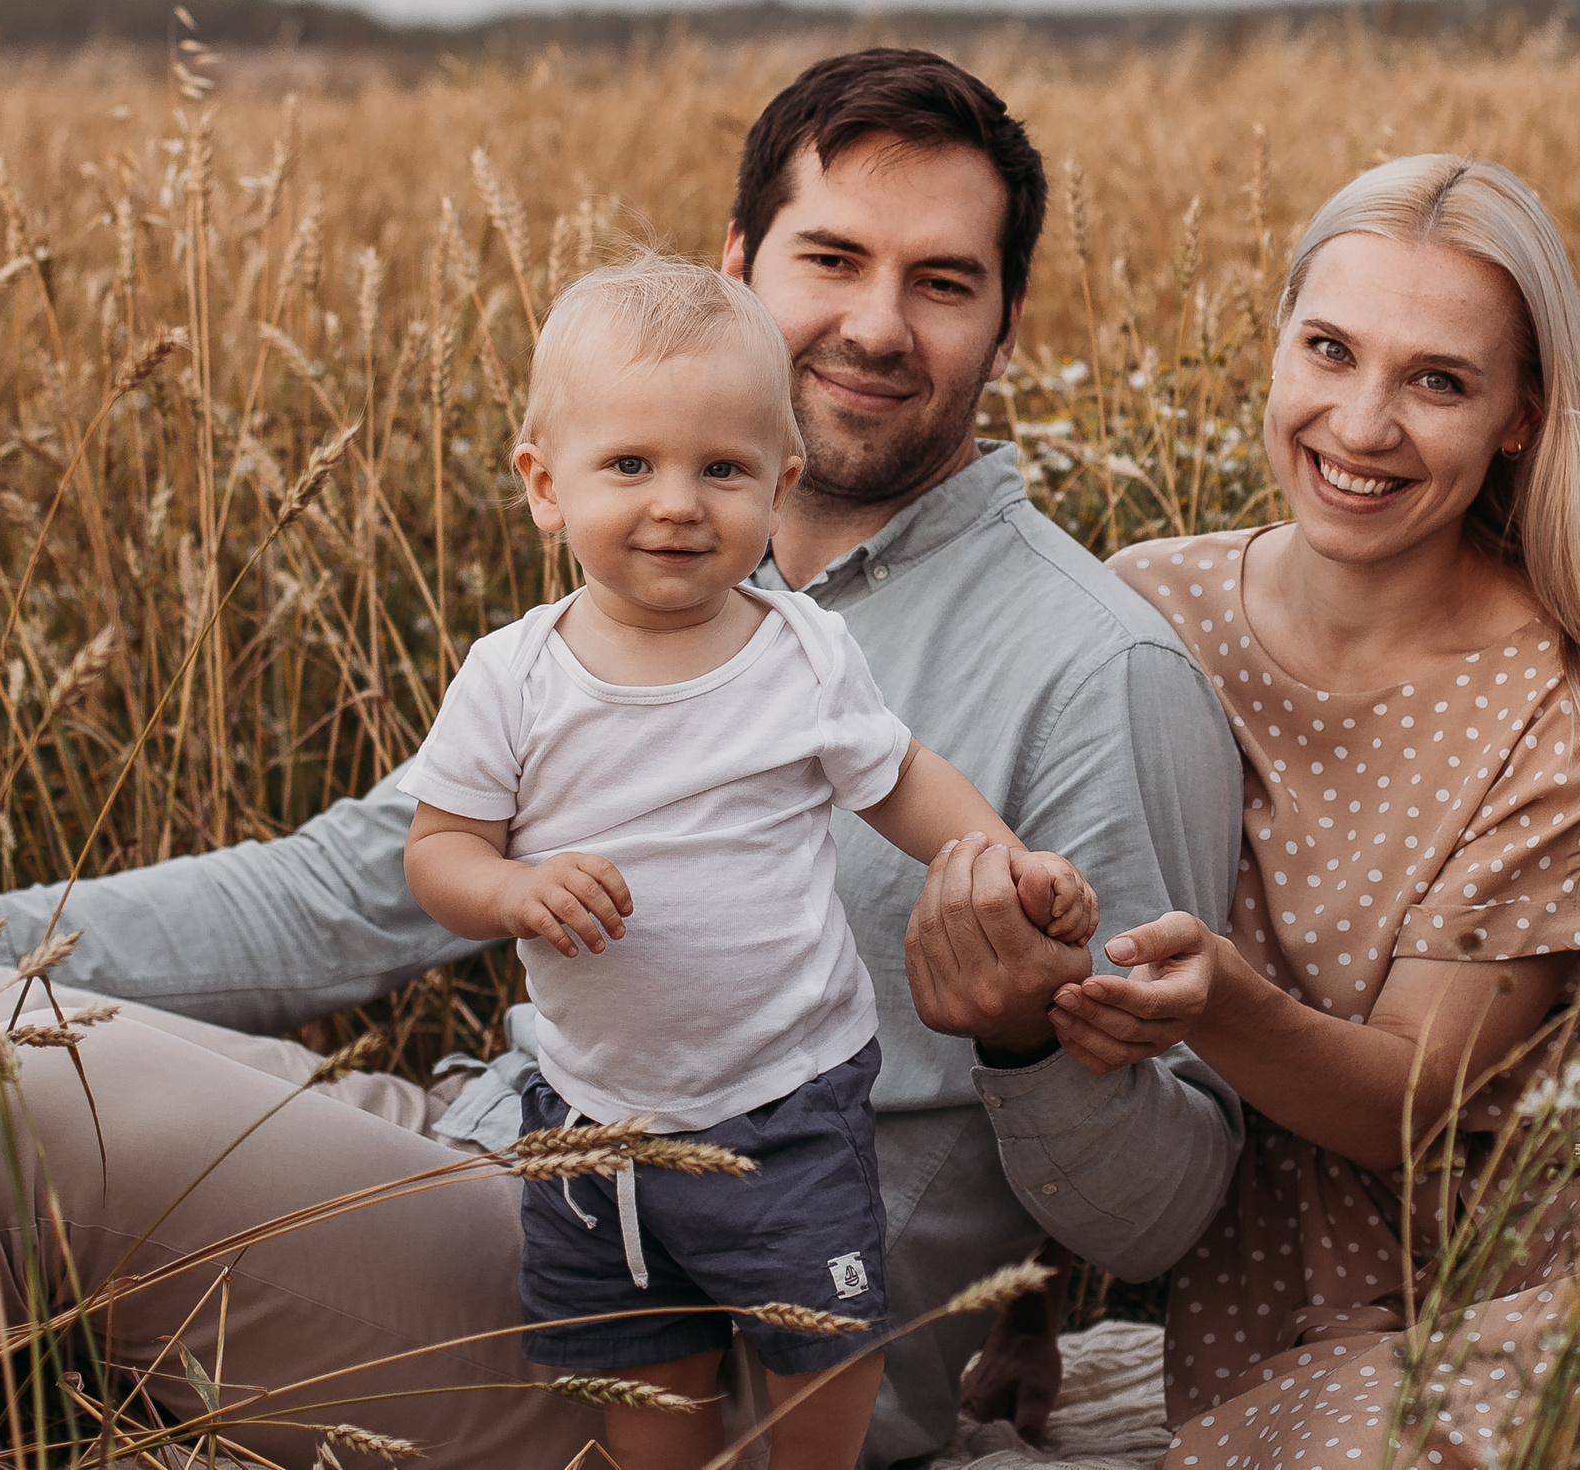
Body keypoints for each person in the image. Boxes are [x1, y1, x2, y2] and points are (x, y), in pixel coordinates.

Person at [0, 50, 1246, 1469]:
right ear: (735, 268)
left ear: (1007, 321)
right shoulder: (635, 593)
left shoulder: (1091, 668)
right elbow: (344, 886)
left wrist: (1024, 1036)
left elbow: (1168, 1209)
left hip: (723, 1341)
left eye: (942, 282)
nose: (876, 323)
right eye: (833, 258)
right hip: (514, 1159)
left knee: (8, 1119)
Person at [1042, 155, 1580, 1470]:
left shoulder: (1564, 706)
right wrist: (1028, 1297)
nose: (1362, 422)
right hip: (1272, 1289)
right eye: (1329, 350)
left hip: (1519, 1286)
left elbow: (1415, 1104)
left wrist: (1216, 999)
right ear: (1275, 347)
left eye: (1437, 379)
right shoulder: (1144, 611)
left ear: (1519, 415)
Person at [402, 253, 1094, 1470]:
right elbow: (439, 853)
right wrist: (511, 889)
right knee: (640, 1362)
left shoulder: (801, 654)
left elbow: (899, 779)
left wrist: (1005, 861)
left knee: (822, 1337)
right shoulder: (511, 676)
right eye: (631, 465)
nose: (677, 502)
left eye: (721, 469)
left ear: (778, 485)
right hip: (595, 1117)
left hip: (785, 1095)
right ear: (542, 484)